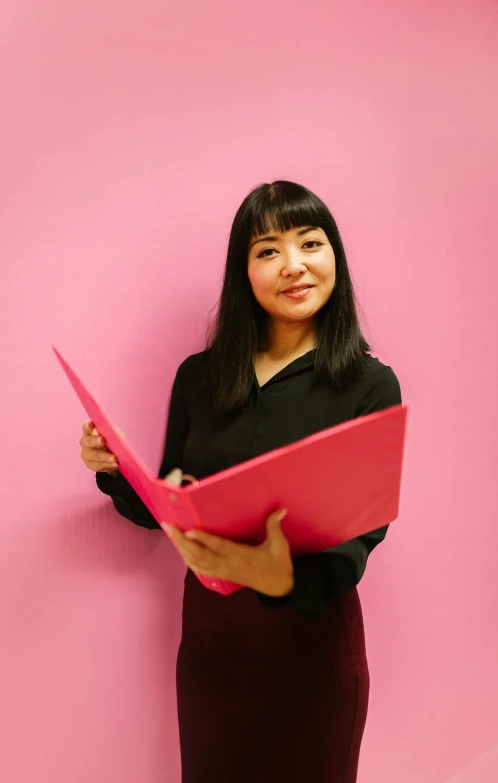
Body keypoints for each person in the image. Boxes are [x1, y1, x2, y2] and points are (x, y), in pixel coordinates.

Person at [79, 180, 402, 783]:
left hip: (314, 644)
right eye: (268, 250)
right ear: (243, 270)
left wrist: (279, 576)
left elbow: (362, 537)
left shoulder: (369, 384)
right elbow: (166, 510)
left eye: (311, 242)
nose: (294, 265)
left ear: (335, 257)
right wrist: (117, 471)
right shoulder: (200, 377)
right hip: (213, 646)